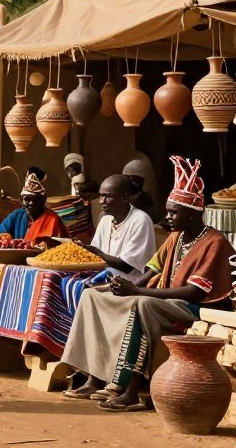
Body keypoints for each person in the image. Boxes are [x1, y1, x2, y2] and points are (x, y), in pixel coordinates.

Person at [62, 157, 235, 410]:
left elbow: (195, 292)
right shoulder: (176, 237)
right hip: (167, 299)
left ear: (192, 214)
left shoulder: (213, 241)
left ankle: (131, 388)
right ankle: (94, 376)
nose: (168, 217)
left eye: (174, 212)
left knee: (143, 304)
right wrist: (121, 289)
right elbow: (153, 268)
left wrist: (137, 290)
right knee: (92, 295)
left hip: (196, 306)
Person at [81, 174, 156, 277]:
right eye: (100, 195)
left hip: (129, 280)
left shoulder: (141, 220)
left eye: (107, 196)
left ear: (125, 197)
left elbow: (126, 266)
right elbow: (94, 256)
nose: (101, 201)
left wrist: (98, 253)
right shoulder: (105, 220)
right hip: (105, 272)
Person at [0, 174, 69, 244]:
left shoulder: (53, 218)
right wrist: (6, 239)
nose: (30, 203)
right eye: (27, 199)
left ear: (43, 200)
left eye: (35, 199)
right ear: (22, 200)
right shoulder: (17, 215)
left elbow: (63, 243)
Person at [122, 157, 158, 221]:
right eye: (127, 178)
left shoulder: (146, 201)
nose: (130, 182)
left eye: (134, 179)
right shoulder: (119, 196)